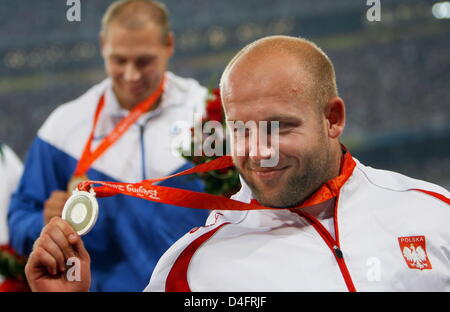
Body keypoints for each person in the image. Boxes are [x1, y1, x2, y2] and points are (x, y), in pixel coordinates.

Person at [24, 36, 450, 292]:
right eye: (243, 129)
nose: (260, 150)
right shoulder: (193, 268)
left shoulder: (434, 213)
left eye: (280, 126)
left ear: (333, 118)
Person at [9, 0, 209, 291]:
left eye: (144, 61)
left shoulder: (207, 113)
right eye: (119, 60)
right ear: (103, 46)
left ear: (168, 45)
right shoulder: (63, 128)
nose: (131, 74)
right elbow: (19, 219)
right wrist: (44, 223)